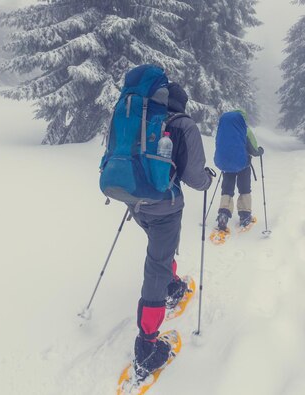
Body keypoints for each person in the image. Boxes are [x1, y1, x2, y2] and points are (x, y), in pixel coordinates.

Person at [128, 82, 212, 380]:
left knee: (160, 250)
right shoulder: (184, 125)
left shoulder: (141, 119)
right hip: (164, 205)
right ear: (182, 104)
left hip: (134, 201)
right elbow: (194, 176)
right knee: (157, 262)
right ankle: (147, 345)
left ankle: (171, 283)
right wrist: (207, 180)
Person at [214, 110, 263, 231]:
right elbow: (253, 149)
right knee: (244, 188)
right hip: (243, 164)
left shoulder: (224, 130)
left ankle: (223, 214)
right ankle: (245, 215)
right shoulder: (245, 130)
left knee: (227, 189)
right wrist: (260, 151)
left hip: (227, 165)